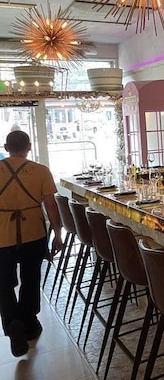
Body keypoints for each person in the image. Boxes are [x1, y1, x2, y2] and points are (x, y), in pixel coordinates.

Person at [0, 131, 62, 356]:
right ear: (29, 146)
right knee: (31, 277)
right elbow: (51, 206)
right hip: (33, 232)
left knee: (3, 283)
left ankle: (11, 323)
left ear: (6, 147)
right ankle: (28, 322)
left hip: (1, 235)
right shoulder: (40, 171)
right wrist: (57, 233)